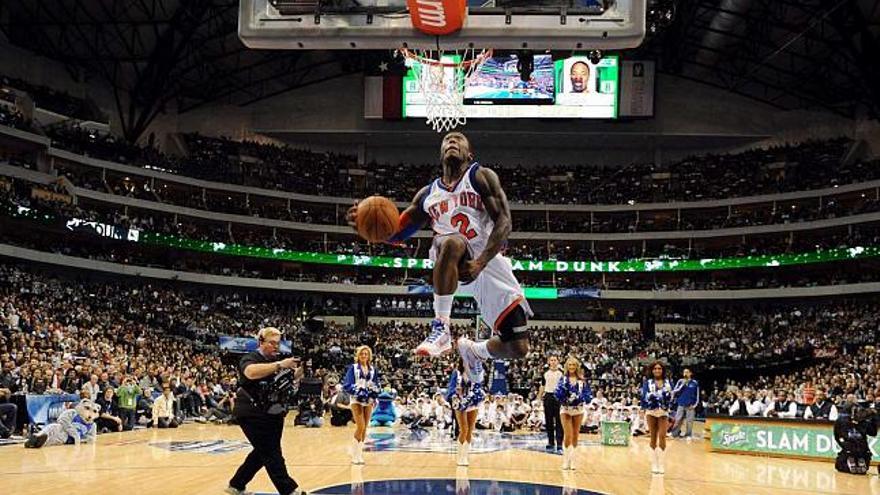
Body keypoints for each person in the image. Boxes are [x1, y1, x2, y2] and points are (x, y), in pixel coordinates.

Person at [348, 132, 533, 383]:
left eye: (459, 139)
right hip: (451, 254)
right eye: (447, 140)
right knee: (451, 240)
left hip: (486, 260)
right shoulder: (427, 194)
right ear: (440, 153)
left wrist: (480, 262)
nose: (452, 142)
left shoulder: (480, 176)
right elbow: (394, 234)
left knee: (518, 347)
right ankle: (441, 327)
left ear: (470, 154)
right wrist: (361, 225)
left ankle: (474, 351)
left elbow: (504, 222)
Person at [226, 327, 307, 495]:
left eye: (278, 343)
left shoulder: (276, 360)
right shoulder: (250, 358)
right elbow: (250, 373)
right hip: (252, 412)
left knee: (262, 451)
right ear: (260, 342)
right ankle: (288, 490)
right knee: (271, 452)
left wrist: (300, 370)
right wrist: (279, 365)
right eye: (272, 343)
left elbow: (284, 381)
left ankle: (236, 484)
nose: (276, 347)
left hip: (272, 411)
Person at [342, 345, 381, 465]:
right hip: (356, 399)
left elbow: (375, 383)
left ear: (369, 356)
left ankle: (359, 454)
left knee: (365, 427)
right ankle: (354, 454)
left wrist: (374, 392)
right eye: (362, 354)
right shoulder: (353, 368)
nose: (364, 356)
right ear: (358, 356)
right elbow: (347, 384)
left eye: (366, 354)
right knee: (360, 426)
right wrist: (357, 391)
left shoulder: (373, 369)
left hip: (368, 399)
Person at [446, 356, 485, 466]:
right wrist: (454, 394)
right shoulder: (456, 373)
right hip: (460, 402)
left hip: (473, 402)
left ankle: (465, 456)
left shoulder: (476, 373)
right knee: (464, 429)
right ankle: (459, 457)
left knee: (470, 429)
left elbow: (479, 386)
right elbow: (451, 387)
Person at [554, 357, 592, 471]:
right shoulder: (563, 379)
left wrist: (582, 398)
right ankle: (565, 460)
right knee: (568, 434)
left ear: (577, 367)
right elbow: (558, 393)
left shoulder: (582, 381)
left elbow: (587, 394)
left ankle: (573, 460)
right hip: (565, 409)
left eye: (573, 365)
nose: (571, 367)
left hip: (578, 410)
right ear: (567, 366)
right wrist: (564, 397)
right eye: (569, 365)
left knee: (575, 435)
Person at [640, 361, 672, 475]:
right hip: (651, 411)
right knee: (653, 437)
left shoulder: (668, 382)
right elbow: (644, 396)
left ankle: (661, 464)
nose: (657, 370)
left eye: (659, 368)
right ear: (652, 370)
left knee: (662, 436)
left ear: (662, 370)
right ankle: (654, 463)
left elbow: (671, 396)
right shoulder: (647, 382)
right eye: (655, 369)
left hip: (663, 412)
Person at [539, 355, 564, 452]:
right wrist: (538, 397)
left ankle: (559, 444)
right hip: (548, 396)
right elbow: (542, 386)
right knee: (548, 421)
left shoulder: (562, 374)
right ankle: (550, 442)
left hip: (558, 397)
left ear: (558, 361)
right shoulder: (545, 373)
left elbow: (564, 386)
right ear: (549, 362)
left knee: (559, 422)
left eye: (555, 360)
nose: (553, 362)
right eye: (551, 360)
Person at [670, 368, 699, 438]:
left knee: (689, 421)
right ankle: (674, 434)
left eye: (687, 372)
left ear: (690, 373)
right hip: (681, 404)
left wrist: (695, 405)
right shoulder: (680, 381)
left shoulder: (695, 383)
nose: (685, 374)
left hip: (690, 405)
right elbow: (674, 391)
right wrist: (682, 385)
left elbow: (697, 395)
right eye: (684, 372)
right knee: (678, 419)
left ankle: (688, 435)